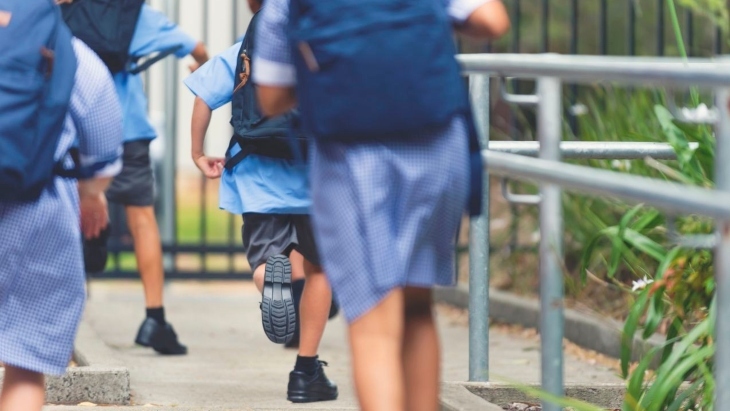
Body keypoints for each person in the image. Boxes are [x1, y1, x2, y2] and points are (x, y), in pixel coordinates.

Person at [253, 1, 510, 410]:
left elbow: (270, 96)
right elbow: (493, 20)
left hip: (352, 154)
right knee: (416, 305)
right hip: (437, 141)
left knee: (373, 321)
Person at [183, 0, 338, 402]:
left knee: (267, 260)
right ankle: (306, 371)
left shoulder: (248, 48)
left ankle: (271, 279)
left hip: (257, 173)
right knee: (321, 269)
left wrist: (198, 153)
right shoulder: (327, 39)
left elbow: (204, 95)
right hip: (316, 174)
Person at [0, 25, 124, 411]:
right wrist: (90, 194)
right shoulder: (72, 56)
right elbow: (104, 151)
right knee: (24, 362)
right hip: (34, 214)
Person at [83, 3, 209, 356]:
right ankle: (154, 318)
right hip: (126, 128)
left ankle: (68, 304)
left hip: (74, 130)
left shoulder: (53, 7)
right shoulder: (130, 12)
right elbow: (193, 45)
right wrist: (202, 63)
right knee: (141, 219)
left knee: (64, 214)